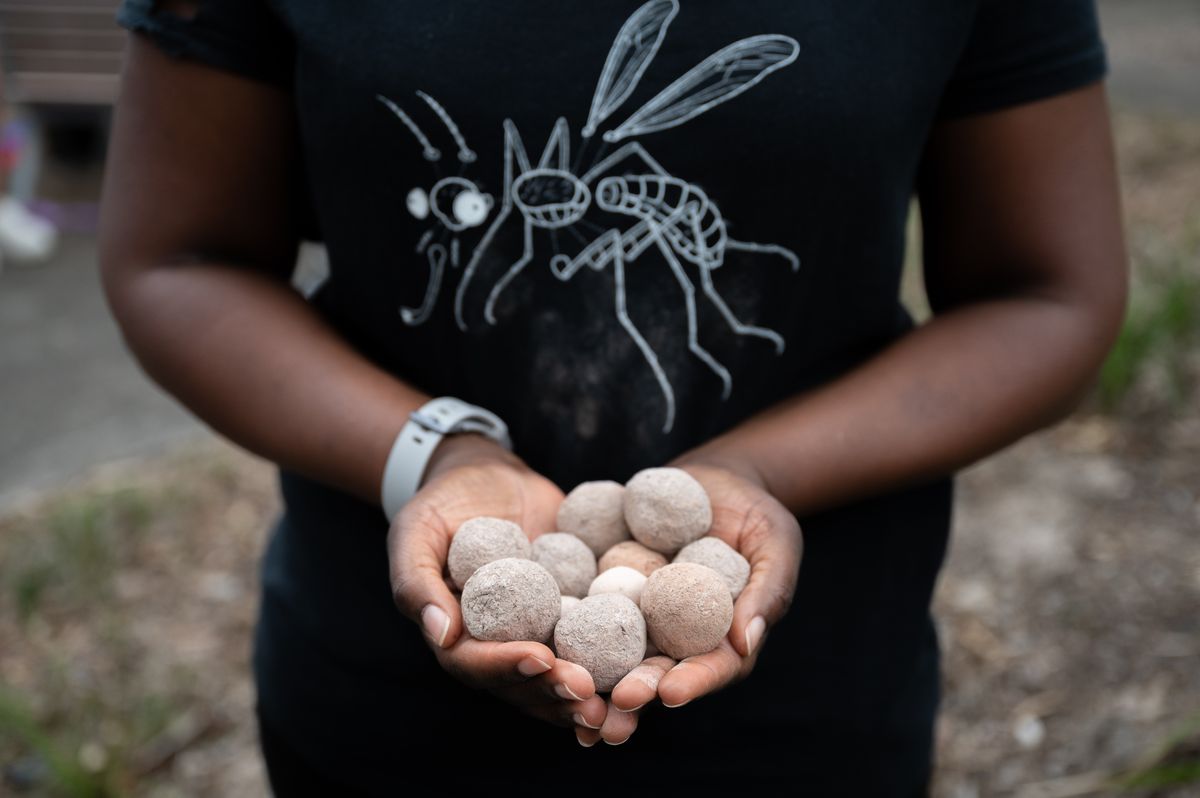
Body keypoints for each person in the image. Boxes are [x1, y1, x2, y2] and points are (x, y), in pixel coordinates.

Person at [98, 0, 1126, 794]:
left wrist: (755, 469)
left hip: (818, 704)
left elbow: (1049, 293)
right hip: (375, 701)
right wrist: (439, 452)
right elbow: (177, 258)